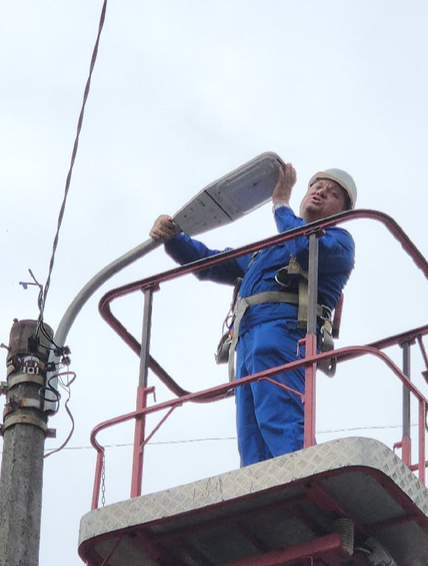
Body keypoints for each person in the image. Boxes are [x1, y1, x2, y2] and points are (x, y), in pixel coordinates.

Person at [150, 163, 356, 467]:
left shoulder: (339, 242)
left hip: (286, 337)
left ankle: (303, 481)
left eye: (333, 193)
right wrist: (172, 237)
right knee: (251, 439)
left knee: (282, 420)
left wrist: (280, 205)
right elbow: (210, 262)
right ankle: (263, 496)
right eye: (317, 186)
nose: (321, 192)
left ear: (343, 211)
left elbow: (303, 249)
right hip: (246, 345)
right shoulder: (266, 251)